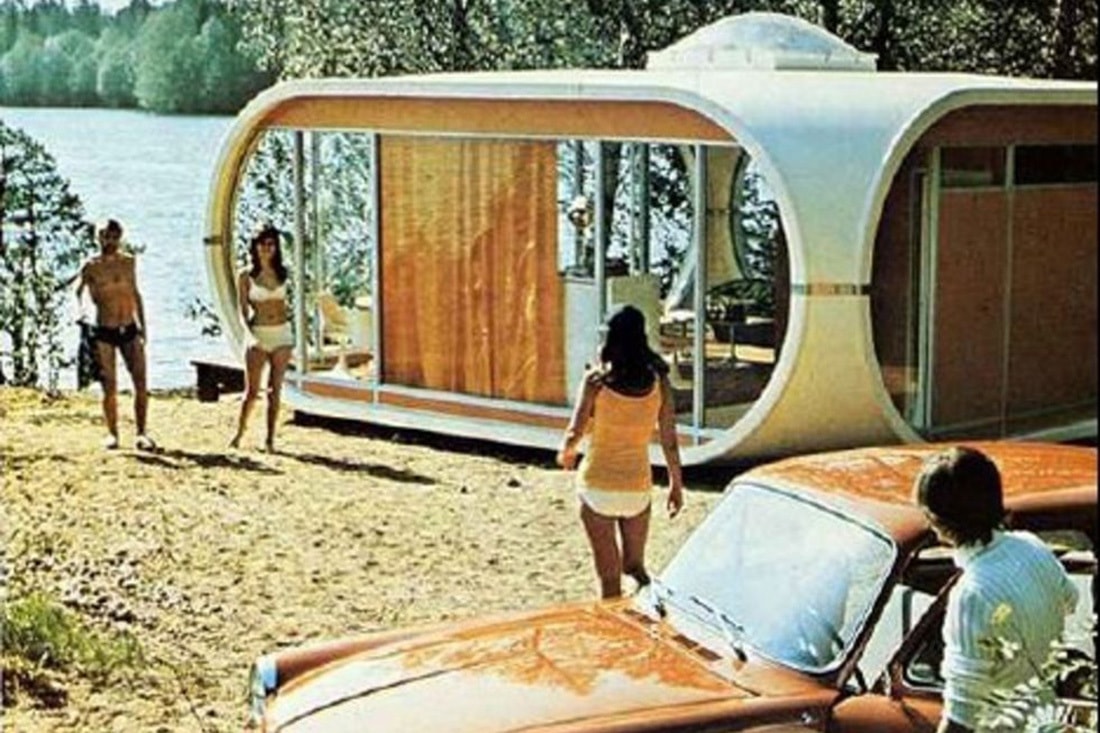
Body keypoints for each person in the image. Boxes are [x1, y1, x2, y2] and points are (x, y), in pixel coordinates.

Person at [913, 446, 1079, 733]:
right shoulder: (1032, 546)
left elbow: (961, 715)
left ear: (938, 521)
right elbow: (1071, 600)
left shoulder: (971, 595)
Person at [557, 305, 685, 599]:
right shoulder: (659, 382)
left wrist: (565, 452)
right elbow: (669, 440)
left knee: (609, 580)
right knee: (635, 566)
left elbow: (575, 431)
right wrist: (676, 485)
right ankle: (654, 605)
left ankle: (616, 624)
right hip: (637, 488)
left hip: (597, 487)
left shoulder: (596, 382)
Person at [76, 219, 154, 450]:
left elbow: (135, 293)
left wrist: (143, 325)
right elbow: (78, 293)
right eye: (105, 236)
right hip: (104, 330)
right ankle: (112, 434)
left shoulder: (128, 262)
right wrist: (82, 314)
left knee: (140, 381)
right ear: (98, 238)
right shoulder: (91, 266)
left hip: (129, 327)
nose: (110, 241)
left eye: (114, 237)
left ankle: (142, 433)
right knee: (109, 386)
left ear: (120, 237)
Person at [229, 224, 294, 452]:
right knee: (252, 392)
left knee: (275, 391)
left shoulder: (283, 273)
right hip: (258, 333)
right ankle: (239, 433)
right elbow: (241, 311)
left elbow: (288, 304)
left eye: (271, 244)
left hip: (282, 333)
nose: (266, 248)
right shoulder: (246, 275)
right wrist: (248, 337)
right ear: (255, 247)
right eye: (262, 244)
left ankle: (270, 439)